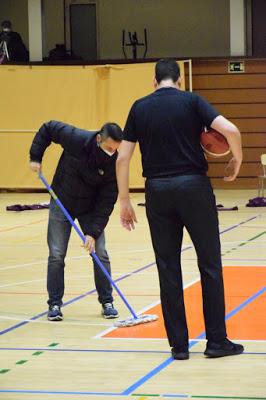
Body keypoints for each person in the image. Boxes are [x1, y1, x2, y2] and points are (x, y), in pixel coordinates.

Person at [116, 59, 244, 360]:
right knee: (210, 265)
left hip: (157, 192)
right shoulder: (192, 101)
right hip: (193, 187)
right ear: (179, 79)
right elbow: (231, 130)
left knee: (168, 268)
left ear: (154, 81)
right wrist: (236, 161)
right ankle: (216, 342)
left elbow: (122, 158)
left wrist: (124, 200)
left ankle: (179, 346)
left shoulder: (139, 107)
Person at [29, 120, 123, 321]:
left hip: (90, 208)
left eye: (115, 150)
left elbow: (107, 201)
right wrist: (35, 157)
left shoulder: (114, 163)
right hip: (61, 201)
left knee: (100, 253)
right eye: (108, 148)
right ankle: (54, 304)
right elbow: (48, 128)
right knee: (56, 254)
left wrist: (93, 232)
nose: (111, 153)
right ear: (99, 139)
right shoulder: (76, 139)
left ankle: (107, 301)